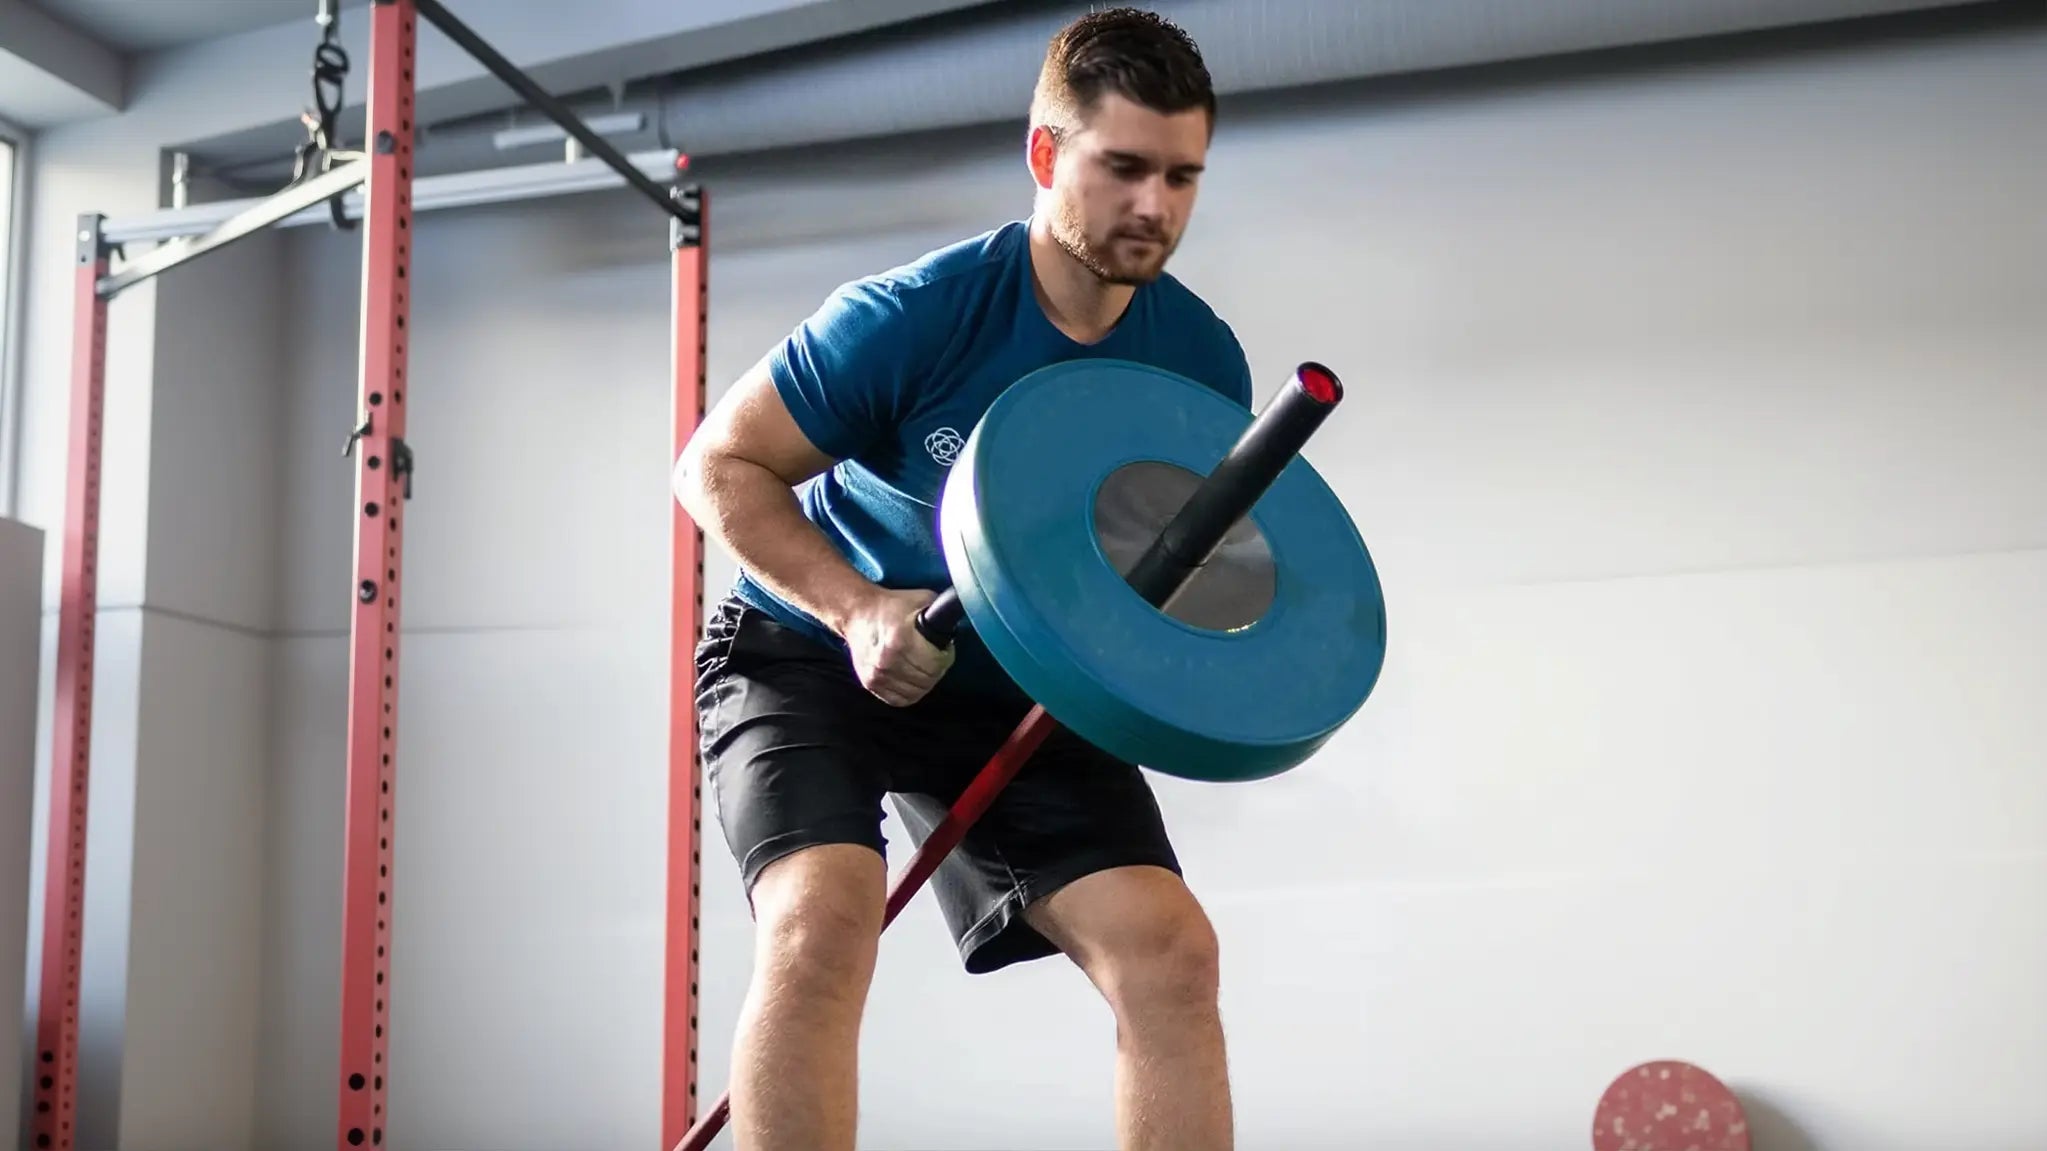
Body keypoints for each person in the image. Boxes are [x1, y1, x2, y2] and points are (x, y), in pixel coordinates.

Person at [671, 8, 1251, 1150]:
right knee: (820, 922)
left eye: (1183, 175)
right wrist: (855, 607)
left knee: (1171, 952)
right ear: (1046, 156)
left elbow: (1168, 570)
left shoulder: (1199, 360)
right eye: (1123, 167)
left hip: (1015, 684)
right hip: (809, 652)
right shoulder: (916, 315)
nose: (1157, 207)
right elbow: (715, 465)